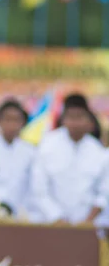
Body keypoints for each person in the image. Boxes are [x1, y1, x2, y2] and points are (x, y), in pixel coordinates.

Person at [28, 93, 109, 225]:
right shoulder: (47, 146)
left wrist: (88, 221)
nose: (75, 123)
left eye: (80, 117)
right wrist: (57, 218)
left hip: (88, 226)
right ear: (63, 119)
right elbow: (39, 189)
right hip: (51, 224)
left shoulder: (99, 151)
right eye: (71, 117)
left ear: (89, 120)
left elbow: (104, 193)